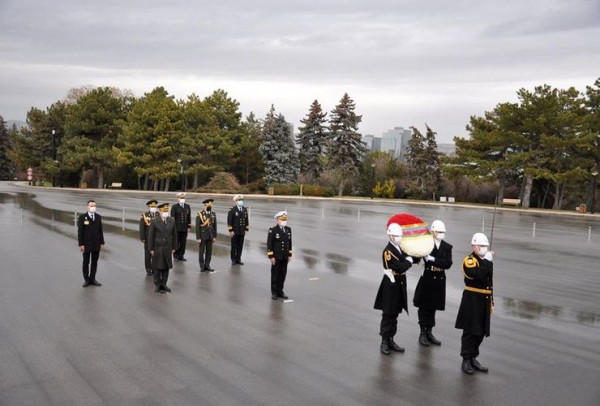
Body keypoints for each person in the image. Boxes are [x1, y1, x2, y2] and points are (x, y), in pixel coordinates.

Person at [373, 218, 416, 355]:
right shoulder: (388, 251)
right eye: (397, 236)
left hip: (399, 284)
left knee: (395, 313)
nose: (399, 238)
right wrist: (409, 261)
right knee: (388, 314)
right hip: (391, 285)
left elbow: (410, 259)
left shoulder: (400, 248)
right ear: (390, 236)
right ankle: (384, 341)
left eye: (400, 236)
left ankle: (391, 339)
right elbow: (399, 267)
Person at [455, 232, 494, 375]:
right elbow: (478, 275)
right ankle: (466, 359)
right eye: (481, 246)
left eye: (485, 246)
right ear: (474, 246)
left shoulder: (486, 260)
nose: (484, 248)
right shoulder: (470, 260)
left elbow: (489, 281)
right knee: (470, 331)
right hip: (472, 299)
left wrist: (491, 299)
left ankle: (473, 357)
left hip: (484, 299)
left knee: (480, 332)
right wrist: (487, 261)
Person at [413, 220, 453, 346]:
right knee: (424, 306)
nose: (441, 234)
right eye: (439, 232)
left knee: (433, 307)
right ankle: (422, 333)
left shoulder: (447, 247)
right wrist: (419, 256)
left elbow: (448, 264)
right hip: (428, 277)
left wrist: (433, 259)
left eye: (443, 232)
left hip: (439, 278)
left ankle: (430, 332)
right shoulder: (426, 244)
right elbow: (415, 257)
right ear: (433, 232)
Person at [148, 203, 177, 293]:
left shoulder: (171, 221)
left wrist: (174, 247)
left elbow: (174, 235)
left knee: (166, 266)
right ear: (160, 212)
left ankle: (164, 284)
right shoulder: (154, 221)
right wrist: (151, 249)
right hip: (157, 247)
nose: (166, 213)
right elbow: (151, 236)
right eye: (164, 211)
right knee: (157, 267)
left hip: (168, 247)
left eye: (167, 211)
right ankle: (157, 284)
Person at [77, 199, 105, 287]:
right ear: (87, 207)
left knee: (94, 262)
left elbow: (100, 231)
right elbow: (80, 232)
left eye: (94, 206)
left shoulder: (98, 217)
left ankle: (93, 279)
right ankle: (86, 280)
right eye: (91, 206)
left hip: (96, 244)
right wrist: (81, 244)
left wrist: (102, 243)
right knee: (86, 262)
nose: (93, 207)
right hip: (86, 244)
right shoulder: (82, 217)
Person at [267, 211, 292, 300]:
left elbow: (289, 243)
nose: (284, 221)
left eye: (285, 219)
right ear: (277, 220)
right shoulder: (273, 230)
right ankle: (274, 292)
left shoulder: (288, 229)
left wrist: (289, 254)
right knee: (275, 275)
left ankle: (280, 291)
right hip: (276, 257)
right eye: (282, 219)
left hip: (285, 257)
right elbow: (269, 244)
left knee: (282, 274)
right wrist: (271, 257)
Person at [196, 198, 217, 272]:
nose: (210, 206)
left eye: (211, 204)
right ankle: (202, 266)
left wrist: (214, 236)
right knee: (201, 252)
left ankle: (207, 265)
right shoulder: (200, 214)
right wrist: (198, 237)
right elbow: (197, 227)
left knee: (209, 252)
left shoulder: (213, 214)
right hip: (202, 236)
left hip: (210, 236)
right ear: (205, 205)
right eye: (209, 204)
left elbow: (214, 226)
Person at [227, 194, 249, 265]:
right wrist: (231, 230)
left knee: (240, 246)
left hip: (242, 231)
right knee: (234, 246)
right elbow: (229, 221)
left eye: (241, 200)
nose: (240, 201)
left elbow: (246, 220)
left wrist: (246, 229)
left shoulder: (244, 209)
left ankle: (238, 259)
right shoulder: (232, 210)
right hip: (235, 231)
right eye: (239, 200)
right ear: (236, 201)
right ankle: (233, 259)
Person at [139, 199, 159, 276]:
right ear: (149, 207)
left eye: (155, 206)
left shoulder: (158, 214)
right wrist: (142, 237)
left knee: (155, 254)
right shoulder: (145, 215)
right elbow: (142, 227)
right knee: (148, 254)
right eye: (152, 206)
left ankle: (154, 268)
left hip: (157, 238)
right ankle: (148, 269)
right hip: (148, 238)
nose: (154, 208)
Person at [170, 191, 191, 262]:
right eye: (181, 198)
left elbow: (189, 217)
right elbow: (172, 218)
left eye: (183, 198)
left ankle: (181, 255)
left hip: (184, 228)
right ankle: (175, 255)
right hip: (177, 227)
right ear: (178, 199)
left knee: (183, 243)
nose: (182, 199)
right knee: (176, 242)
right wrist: (173, 228)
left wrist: (189, 226)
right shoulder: (174, 206)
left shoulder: (187, 206)